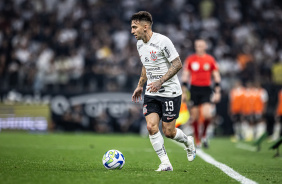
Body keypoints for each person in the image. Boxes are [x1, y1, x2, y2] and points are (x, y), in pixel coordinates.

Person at [130, 11, 196, 172]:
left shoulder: (163, 41)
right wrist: (140, 85)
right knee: (151, 127)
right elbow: (146, 64)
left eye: (134, 27)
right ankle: (165, 163)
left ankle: (188, 141)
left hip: (170, 92)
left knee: (169, 132)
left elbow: (177, 64)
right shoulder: (139, 44)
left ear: (145, 27)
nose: (132, 31)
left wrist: (160, 81)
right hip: (152, 92)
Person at [181, 39, 221, 148]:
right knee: (195, 116)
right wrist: (183, 91)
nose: (199, 47)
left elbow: (216, 75)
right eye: (197, 45)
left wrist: (217, 91)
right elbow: (185, 75)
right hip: (194, 89)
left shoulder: (210, 59)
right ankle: (197, 139)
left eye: (201, 45)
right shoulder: (190, 59)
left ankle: (203, 135)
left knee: (207, 115)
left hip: (206, 89)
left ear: (205, 47)